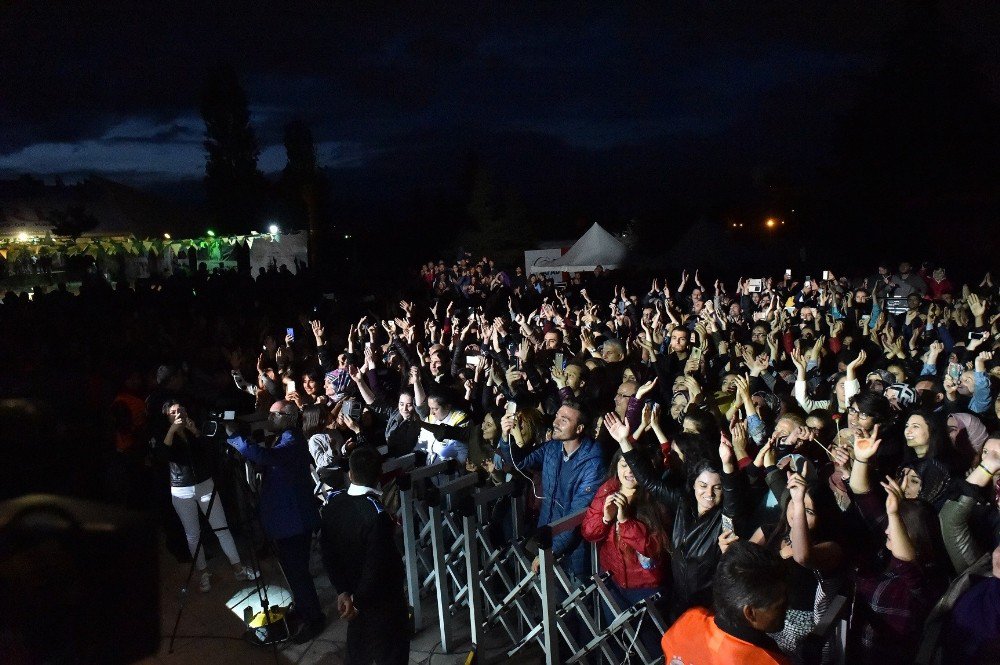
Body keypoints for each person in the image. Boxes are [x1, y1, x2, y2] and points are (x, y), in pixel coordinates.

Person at [226, 400, 325, 643]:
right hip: (287, 519)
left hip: (294, 521)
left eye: (273, 414)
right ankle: (303, 609)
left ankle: (314, 618)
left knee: (298, 572)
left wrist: (235, 437)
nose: (269, 418)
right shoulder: (284, 437)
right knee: (293, 571)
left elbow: (264, 456)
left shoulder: (292, 440)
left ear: (288, 417)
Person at [320, 448, 409, 665]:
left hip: (352, 596)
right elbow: (376, 567)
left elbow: (328, 552)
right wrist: (357, 602)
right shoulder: (376, 515)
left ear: (350, 474)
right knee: (392, 656)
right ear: (380, 474)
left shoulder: (333, 504)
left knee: (357, 655)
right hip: (381, 603)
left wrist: (342, 590)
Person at [500, 400, 605, 579]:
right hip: (546, 534)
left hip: (573, 550)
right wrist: (505, 436)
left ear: (579, 428)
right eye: (557, 416)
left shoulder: (592, 463)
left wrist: (552, 549)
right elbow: (519, 463)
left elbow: (576, 516)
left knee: (574, 597)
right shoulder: (553, 448)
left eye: (564, 420)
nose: (555, 423)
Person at [160, 401, 257, 592]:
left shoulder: (193, 430)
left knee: (221, 528)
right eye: (174, 412)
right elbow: (163, 456)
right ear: (168, 417)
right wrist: (172, 431)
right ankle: (203, 573)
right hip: (181, 489)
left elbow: (208, 453)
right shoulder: (165, 435)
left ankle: (238, 569)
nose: (179, 413)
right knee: (193, 535)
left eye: (182, 409)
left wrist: (196, 432)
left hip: (205, 484)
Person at [661, 540, 791, 665]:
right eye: (780, 606)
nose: (787, 608)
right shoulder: (769, 661)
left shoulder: (688, 620)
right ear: (750, 613)